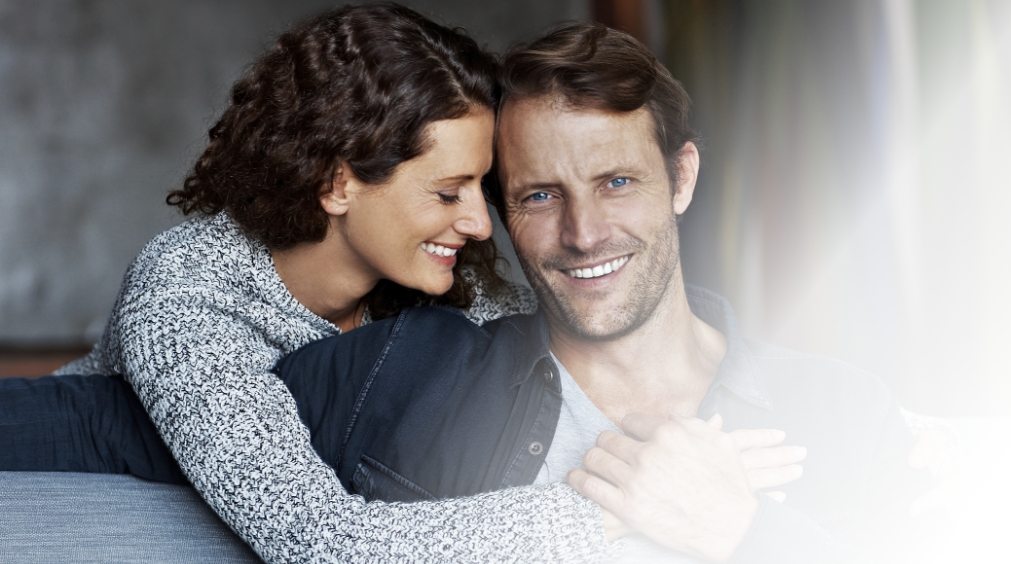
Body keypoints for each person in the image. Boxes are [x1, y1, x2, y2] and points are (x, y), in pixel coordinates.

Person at [269, 22, 927, 561]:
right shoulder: (405, 370)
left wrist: (742, 532)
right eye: (540, 196)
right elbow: (177, 458)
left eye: (616, 183)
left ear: (680, 178)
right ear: (501, 213)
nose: (583, 234)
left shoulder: (840, 413)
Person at [0, 4, 619, 562]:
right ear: (338, 183)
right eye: (445, 192)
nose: (482, 226)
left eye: (479, 190)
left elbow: (557, 379)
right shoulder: (185, 293)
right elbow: (314, 541)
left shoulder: (442, 282)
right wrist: (601, 524)